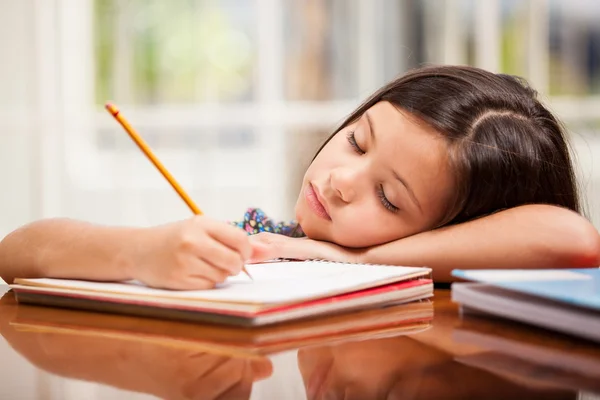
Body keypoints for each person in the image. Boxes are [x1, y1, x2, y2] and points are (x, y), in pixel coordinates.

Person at [0, 65, 598, 288]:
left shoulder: (450, 280)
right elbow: (18, 252)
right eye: (358, 140)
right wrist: (138, 252)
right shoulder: (266, 239)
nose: (341, 179)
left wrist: (360, 265)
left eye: (389, 197)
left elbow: (571, 238)